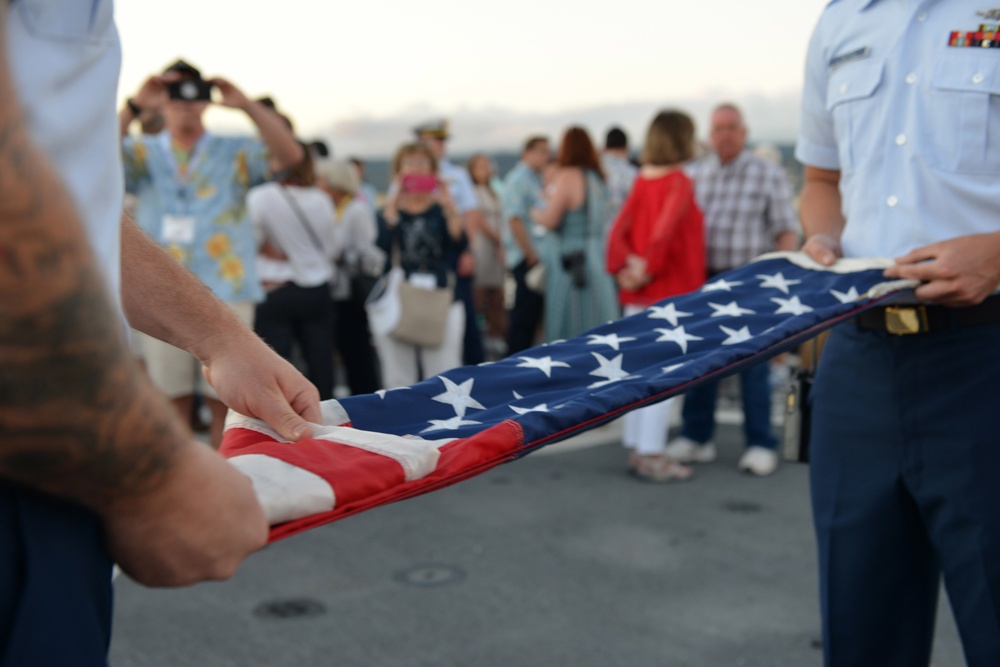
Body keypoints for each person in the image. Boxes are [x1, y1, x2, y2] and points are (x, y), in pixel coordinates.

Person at [0, 3, 321, 664]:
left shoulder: (228, 147)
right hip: (37, 449)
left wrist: (221, 336)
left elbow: (68, 197)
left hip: (61, 434)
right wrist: (150, 478)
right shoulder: (146, 145)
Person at [797, 3, 1000, 665]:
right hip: (858, 364)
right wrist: (823, 235)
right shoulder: (840, 22)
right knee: (862, 635)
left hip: (986, 356)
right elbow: (822, 180)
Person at [120, 59, 303, 447]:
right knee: (171, 399)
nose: (185, 101)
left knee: (232, 402)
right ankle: (188, 488)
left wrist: (249, 106)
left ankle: (231, 478)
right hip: (159, 288)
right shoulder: (141, 150)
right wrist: (136, 106)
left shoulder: (234, 150)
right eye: (175, 92)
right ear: (161, 99)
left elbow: (290, 157)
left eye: (194, 92)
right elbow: (92, 160)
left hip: (228, 285)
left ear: (207, 100)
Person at [665, 103, 799, 477]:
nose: (724, 134)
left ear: (744, 132)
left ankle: (759, 443)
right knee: (699, 364)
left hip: (749, 280)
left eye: (731, 127)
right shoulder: (694, 175)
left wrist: (783, 281)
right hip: (702, 280)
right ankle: (697, 436)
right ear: (710, 134)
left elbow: (785, 229)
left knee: (753, 365)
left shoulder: (766, 173)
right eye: (718, 127)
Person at [606, 111, 705, 483]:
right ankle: (651, 453)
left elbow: (619, 232)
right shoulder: (679, 181)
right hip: (670, 292)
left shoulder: (642, 180)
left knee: (637, 371)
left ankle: (637, 446)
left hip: (638, 293)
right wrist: (648, 266)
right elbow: (664, 233)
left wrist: (629, 267)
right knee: (664, 377)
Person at [248, 146, 341, 400]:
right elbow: (332, 247)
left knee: (276, 363)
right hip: (316, 288)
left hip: (275, 286)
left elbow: (247, 241)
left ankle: (283, 423)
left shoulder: (260, 196)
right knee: (321, 360)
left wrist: (268, 249)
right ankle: (328, 419)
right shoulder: (321, 199)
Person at [375, 143, 466, 388]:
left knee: (443, 372)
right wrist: (392, 203)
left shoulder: (441, 209)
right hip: (400, 296)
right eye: (410, 162)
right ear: (398, 170)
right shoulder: (389, 210)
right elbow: (381, 246)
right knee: (397, 376)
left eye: (423, 163)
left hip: (440, 295)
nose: (416, 168)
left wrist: (449, 204)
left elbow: (459, 244)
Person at [534, 126, 620, 342]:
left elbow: (551, 219)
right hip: (596, 256)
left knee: (570, 325)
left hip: (570, 261)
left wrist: (533, 212)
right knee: (598, 321)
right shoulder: (597, 178)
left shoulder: (568, 175)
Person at [414, 120, 485, 365]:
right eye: (436, 140)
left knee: (464, 314)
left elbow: (471, 214)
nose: (441, 146)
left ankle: (473, 369)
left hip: (452, 253)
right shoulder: (409, 175)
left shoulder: (456, 175)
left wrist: (467, 251)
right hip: (420, 257)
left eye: (442, 140)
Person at [316, 159, 384, 395]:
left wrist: (342, 256)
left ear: (334, 183)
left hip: (351, 293)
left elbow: (370, 253)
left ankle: (366, 400)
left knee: (357, 351)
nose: (318, 184)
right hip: (329, 291)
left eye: (322, 180)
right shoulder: (326, 208)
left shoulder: (356, 209)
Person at [501, 135, 551, 354]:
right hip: (527, 258)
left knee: (531, 320)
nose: (545, 157)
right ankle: (513, 367)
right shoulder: (519, 179)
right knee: (523, 321)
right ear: (527, 153)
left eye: (547, 152)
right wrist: (530, 253)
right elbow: (515, 219)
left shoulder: (534, 178)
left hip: (534, 255)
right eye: (541, 151)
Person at [467, 153, 507, 359]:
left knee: (497, 294)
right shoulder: (472, 192)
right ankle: (480, 337)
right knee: (480, 293)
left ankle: (496, 335)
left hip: (495, 248)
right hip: (483, 245)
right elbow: (479, 220)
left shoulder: (494, 191)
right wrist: (499, 238)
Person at [601, 126, 639, 234]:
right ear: (626, 147)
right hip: (622, 236)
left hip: (595, 239)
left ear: (605, 148)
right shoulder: (634, 174)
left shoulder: (593, 171)